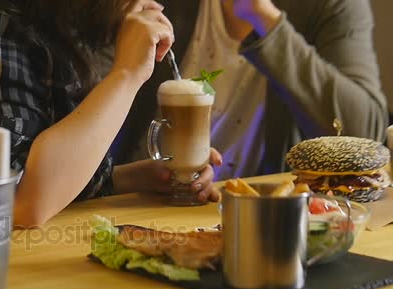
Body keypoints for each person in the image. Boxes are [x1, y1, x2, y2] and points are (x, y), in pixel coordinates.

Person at [0, 0, 222, 227]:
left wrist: (137, 179)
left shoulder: (55, 32)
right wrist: (128, 74)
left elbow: (50, 176)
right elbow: (21, 202)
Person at [114, 0, 389, 180]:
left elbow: (364, 137)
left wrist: (264, 19)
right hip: (137, 206)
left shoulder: (330, 6)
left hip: (260, 218)